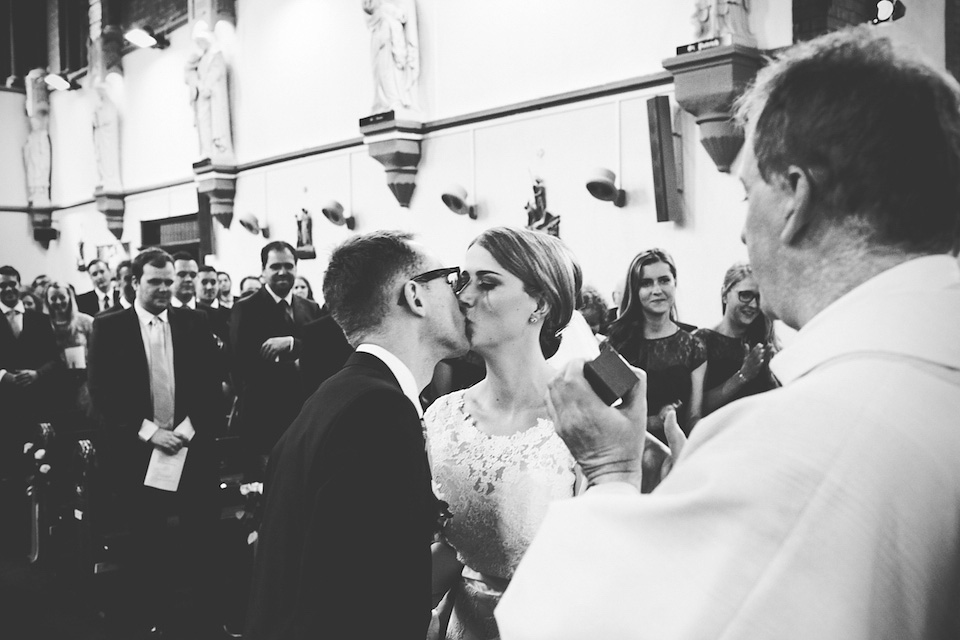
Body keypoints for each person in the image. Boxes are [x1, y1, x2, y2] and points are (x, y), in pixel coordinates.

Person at [496, 27, 960, 639]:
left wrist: (610, 472)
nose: (743, 231)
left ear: (795, 195)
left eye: (747, 192)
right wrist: (699, 493)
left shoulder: (804, 441)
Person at [245, 231, 468, 640]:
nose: (462, 296)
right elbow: (370, 590)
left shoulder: (339, 394)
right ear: (415, 296)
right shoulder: (379, 413)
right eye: (451, 281)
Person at [424, 226, 590, 640]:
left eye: (488, 282)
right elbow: (450, 551)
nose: (463, 296)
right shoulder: (443, 417)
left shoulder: (581, 416)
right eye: (464, 280)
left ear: (541, 302)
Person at [88, 249, 222, 638]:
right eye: (155, 282)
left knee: (202, 538)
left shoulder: (195, 321)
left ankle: (207, 619)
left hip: (190, 447)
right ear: (134, 282)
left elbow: (212, 386)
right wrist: (150, 432)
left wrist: (188, 429)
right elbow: (103, 393)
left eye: (169, 281)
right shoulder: (109, 326)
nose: (165, 288)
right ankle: (152, 618)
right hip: (138, 452)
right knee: (148, 541)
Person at [229, 241, 322, 478]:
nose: (282, 272)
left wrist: (292, 343)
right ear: (263, 270)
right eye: (275, 266)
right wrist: (299, 363)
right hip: (263, 415)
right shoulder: (246, 308)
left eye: (288, 266)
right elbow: (242, 366)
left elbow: (322, 355)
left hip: (304, 414)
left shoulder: (310, 307)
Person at [605, 249, 707, 436]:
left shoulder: (694, 346)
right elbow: (605, 417)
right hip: (631, 451)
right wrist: (654, 421)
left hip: (678, 450)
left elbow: (693, 416)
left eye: (664, 280)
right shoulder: (616, 343)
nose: (657, 290)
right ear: (635, 290)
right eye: (646, 283)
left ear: (674, 283)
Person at [0, 265, 60, 551]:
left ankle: (39, 531)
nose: (8, 290)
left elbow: (54, 358)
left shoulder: (38, 318)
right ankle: (11, 534)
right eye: (2, 286)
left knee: (38, 465)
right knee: (8, 467)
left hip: (37, 403)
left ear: (19, 285)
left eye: (12, 285)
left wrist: (37, 374)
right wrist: (4, 376)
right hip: (5, 406)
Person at [694, 262, 779, 415]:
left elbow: (780, 404)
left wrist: (767, 375)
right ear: (725, 295)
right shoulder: (701, 341)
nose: (753, 305)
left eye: (759, 298)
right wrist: (742, 376)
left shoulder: (766, 342)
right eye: (745, 295)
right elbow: (693, 409)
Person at [45, 282, 96, 425]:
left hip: (84, 383)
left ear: (69, 297)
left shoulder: (85, 321)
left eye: (62, 297)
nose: (58, 302)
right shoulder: (43, 323)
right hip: (55, 384)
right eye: (53, 298)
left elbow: (97, 353)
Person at [185, 20, 234, 162]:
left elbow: (216, 73)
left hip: (212, 97)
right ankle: (206, 151)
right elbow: (187, 71)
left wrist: (206, 86)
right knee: (203, 124)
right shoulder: (201, 58)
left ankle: (215, 149)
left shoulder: (215, 54)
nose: (200, 44)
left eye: (201, 41)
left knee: (213, 125)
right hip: (203, 99)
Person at [362, 0, 420, 114]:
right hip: (381, 34)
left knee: (390, 69)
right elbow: (368, 8)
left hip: (391, 35)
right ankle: (386, 102)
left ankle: (395, 100)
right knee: (381, 70)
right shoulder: (380, 10)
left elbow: (403, 15)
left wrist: (390, 11)